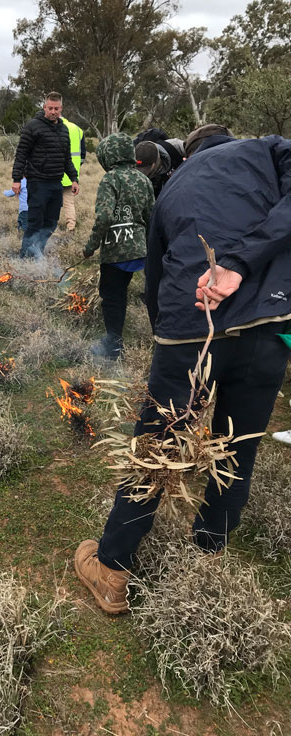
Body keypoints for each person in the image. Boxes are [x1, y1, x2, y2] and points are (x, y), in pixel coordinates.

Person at [75, 128, 291, 615]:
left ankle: (111, 570)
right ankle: (210, 550)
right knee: (238, 440)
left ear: (187, 154)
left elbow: (154, 281)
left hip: (189, 324)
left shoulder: (170, 186)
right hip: (271, 321)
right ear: (232, 140)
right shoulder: (270, 150)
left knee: (158, 444)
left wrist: (169, 350)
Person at [82, 133, 154, 360]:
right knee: (134, 292)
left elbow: (103, 217)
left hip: (116, 251)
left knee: (112, 297)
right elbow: (151, 215)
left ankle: (113, 346)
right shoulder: (144, 179)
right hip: (140, 250)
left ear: (107, 155)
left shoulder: (110, 179)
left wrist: (90, 246)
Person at [11, 92, 79, 259]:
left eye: (56, 108)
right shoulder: (33, 126)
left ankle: (37, 251)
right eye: (50, 108)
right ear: (44, 108)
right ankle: (24, 258)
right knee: (35, 223)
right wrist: (16, 179)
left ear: (61, 109)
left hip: (56, 183)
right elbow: (21, 154)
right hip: (37, 182)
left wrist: (74, 178)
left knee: (51, 223)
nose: (53, 112)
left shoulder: (63, 129)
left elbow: (66, 157)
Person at [60, 117, 86, 231]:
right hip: (72, 173)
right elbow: (83, 153)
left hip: (56, 171)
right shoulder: (78, 129)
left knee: (51, 202)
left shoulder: (55, 128)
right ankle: (71, 226)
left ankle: (51, 228)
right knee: (69, 202)